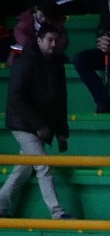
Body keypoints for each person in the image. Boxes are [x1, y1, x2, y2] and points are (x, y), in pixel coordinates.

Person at [0, 24, 71, 220]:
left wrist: (62, 132)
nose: (54, 44)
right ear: (39, 41)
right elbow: (16, 97)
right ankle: (57, 213)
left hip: (39, 125)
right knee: (44, 165)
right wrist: (38, 125)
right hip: (22, 124)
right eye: (49, 40)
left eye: (56, 40)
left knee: (23, 168)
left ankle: (1, 203)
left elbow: (60, 100)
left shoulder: (57, 64)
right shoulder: (25, 63)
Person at [8, 1, 64, 67]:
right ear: (36, 9)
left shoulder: (54, 22)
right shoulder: (23, 24)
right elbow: (25, 42)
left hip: (49, 53)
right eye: (41, 15)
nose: (43, 19)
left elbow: (62, 41)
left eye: (46, 17)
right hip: (26, 54)